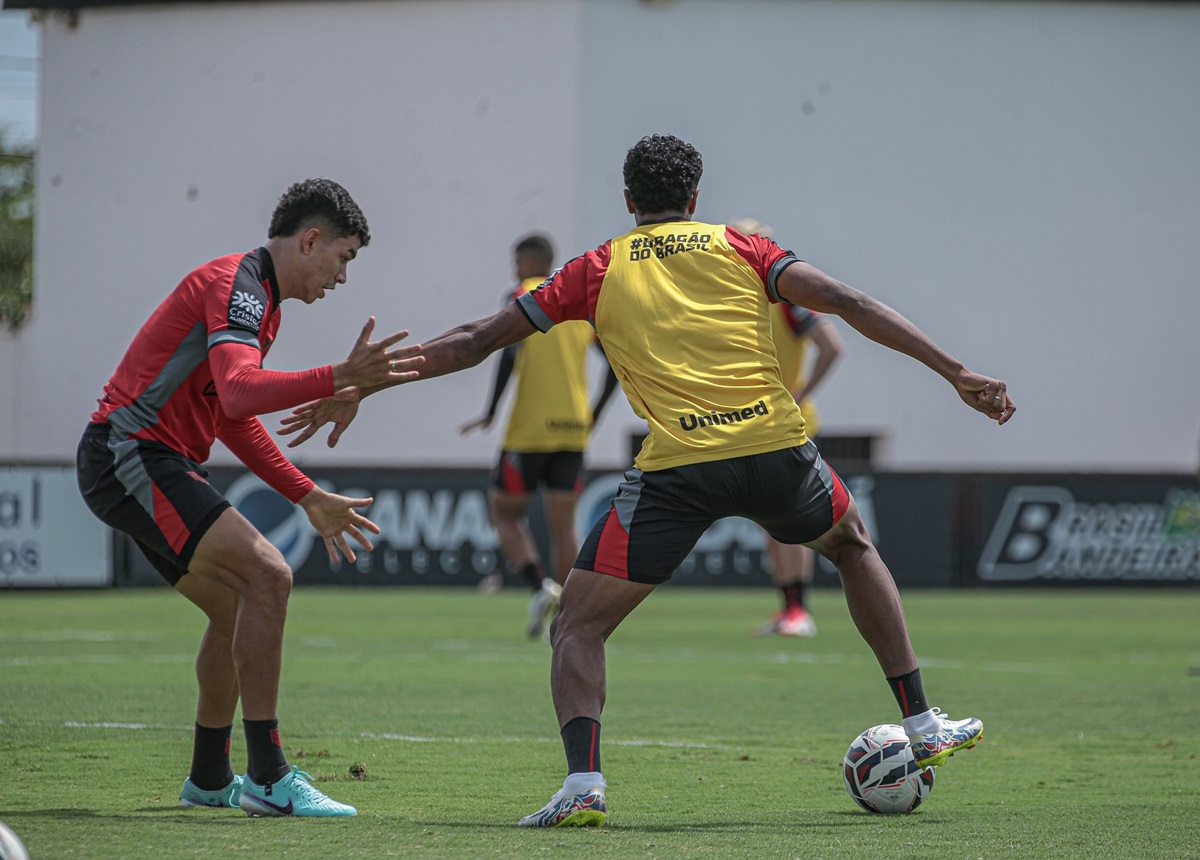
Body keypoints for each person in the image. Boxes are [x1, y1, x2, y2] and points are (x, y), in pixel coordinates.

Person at [279, 134, 1016, 829]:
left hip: (680, 469)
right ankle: (922, 720)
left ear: (629, 201)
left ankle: (582, 787)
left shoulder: (596, 269)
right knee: (852, 547)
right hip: (774, 446)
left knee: (577, 622)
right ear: (694, 196)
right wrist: (955, 372)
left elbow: (476, 341)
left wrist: (365, 384)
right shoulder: (743, 246)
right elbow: (849, 304)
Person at [76, 178, 422, 818]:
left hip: (149, 459)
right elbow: (238, 392)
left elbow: (228, 417)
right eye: (343, 257)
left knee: (241, 604)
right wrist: (340, 375)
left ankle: (210, 778)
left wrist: (306, 493)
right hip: (130, 454)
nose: (343, 277)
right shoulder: (236, 286)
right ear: (311, 239)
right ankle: (269, 777)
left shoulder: (261, 303)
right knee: (269, 576)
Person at [458, 233, 619, 639]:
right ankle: (568, 610)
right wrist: (592, 416)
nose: (514, 269)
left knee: (505, 513)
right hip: (572, 433)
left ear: (530, 263)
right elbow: (615, 366)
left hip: (528, 432)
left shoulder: (520, 295)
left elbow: (506, 353)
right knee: (563, 527)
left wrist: (492, 412)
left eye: (517, 262)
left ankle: (538, 585)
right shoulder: (580, 307)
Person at [732, 218, 845, 638]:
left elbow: (832, 346)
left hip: (783, 424)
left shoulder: (783, 299)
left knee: (792, 522)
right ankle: (790, 609)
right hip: (757, 425)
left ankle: (799, 611)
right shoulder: (749, 298)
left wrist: (800, 395)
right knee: (774, 524)